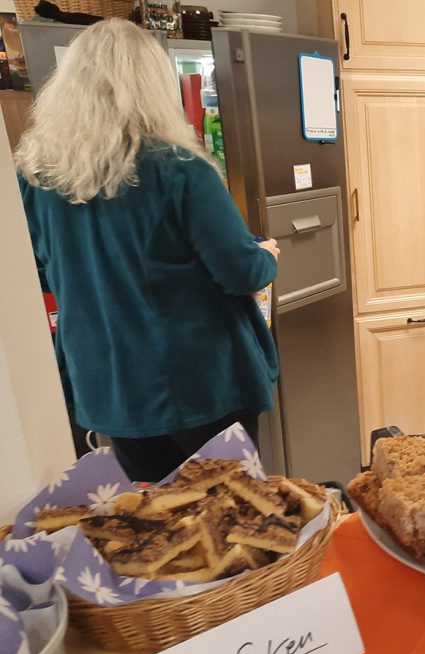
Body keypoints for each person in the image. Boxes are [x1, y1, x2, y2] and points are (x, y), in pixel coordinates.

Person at [15, 19, 280, 482]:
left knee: (151, 513)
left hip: (111, 383)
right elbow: (240, 271)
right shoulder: (179, 169)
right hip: (198, 383)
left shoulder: (38, 178)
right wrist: (268, 257)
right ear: (153, 87)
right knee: (232, 510)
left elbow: (38, 270)